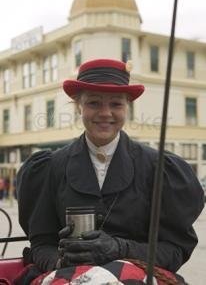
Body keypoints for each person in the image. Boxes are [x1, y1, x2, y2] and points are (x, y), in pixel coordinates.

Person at [16, 59, 204, 282]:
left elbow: (175, 249)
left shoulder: (158, 168)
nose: (105, 113)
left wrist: (119, 248)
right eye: (94, 103)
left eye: (116, 104)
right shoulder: (50, 168)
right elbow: (41, 243)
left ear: (127, 107)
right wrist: (60, 260)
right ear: (78, 106)